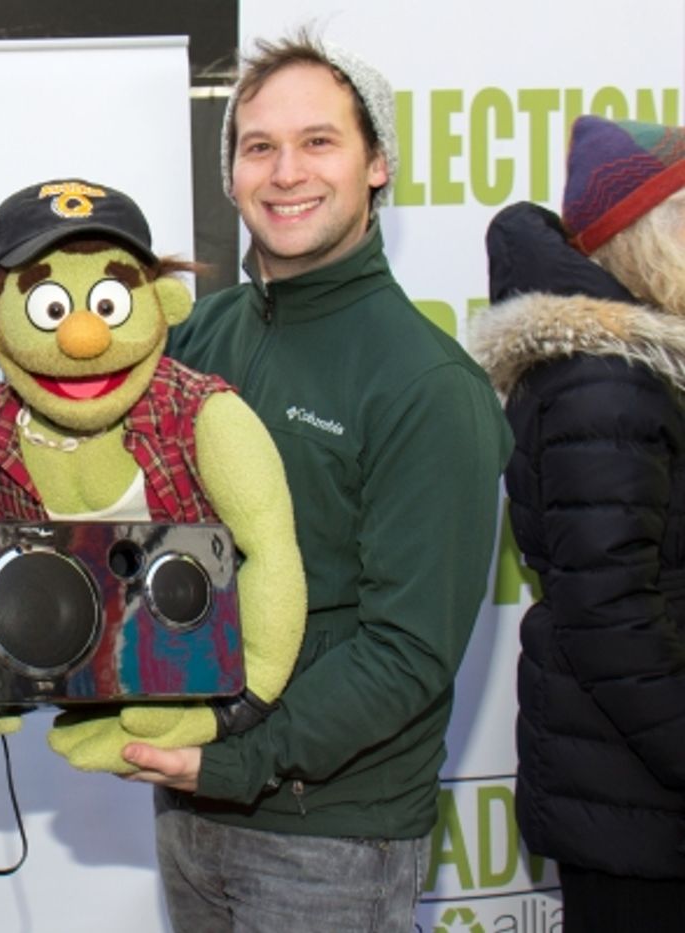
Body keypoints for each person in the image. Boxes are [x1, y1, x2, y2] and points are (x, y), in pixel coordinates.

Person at [144, 31, 512, 932]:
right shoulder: (202, 336)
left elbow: (408, 651)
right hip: (189, 808)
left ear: (378, 163)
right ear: (230, 173)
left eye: (319, 142)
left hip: (332, 838)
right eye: (258, 146)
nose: (284, 172)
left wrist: (229, 759)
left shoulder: (428, 386)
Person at [470, 116, 685, 932]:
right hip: (639, 800)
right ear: (653, 236)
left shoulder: (637, 365)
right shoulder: (610, 379)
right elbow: (611, 616)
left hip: (632, 793)